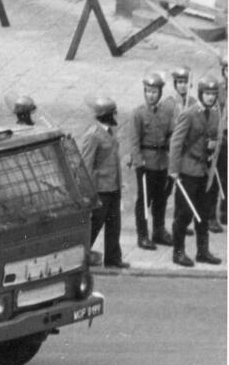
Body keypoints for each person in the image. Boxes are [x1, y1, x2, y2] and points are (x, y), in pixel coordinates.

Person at [169, 75, 223, 267]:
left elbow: (215, 139)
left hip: (205, 171)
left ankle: (202, 251)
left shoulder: (215, 114)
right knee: (183, 214)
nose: (210, 97)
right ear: (200, 94)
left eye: (213, 94)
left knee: (204, 213)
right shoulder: (189, 114)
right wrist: (174, 170)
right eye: (207, 93)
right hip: (188, 170)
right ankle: (178, 252)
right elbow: (176, 142)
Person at [79, 97, 129, 269]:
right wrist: (88, 192)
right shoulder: (93, 135)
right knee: (94, 225)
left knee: (114, 226)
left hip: (113, 187)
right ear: (106, 115)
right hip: (100, 190)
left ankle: (113, 258)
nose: (115, 116)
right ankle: (80, 257)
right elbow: (86, 165)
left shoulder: (109, 132)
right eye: (113, 113)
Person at [128, 72, 176, 249]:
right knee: (144, 200)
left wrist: (171, 144)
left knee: (161, 198)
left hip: (162, 162)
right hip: (146, 164)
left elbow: (172, 133)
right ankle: (142, 235)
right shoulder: (138, 113)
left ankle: (158, 231)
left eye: (154, 92)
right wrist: (138, 163)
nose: (151, 95)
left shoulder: (167, 112)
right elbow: (134, 142)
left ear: (160, 92)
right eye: (148, 91)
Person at [204, 74, 227, 233]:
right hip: (220, 136)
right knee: (215, 177)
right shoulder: (217, 89)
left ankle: (225, 212)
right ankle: (210, 216)